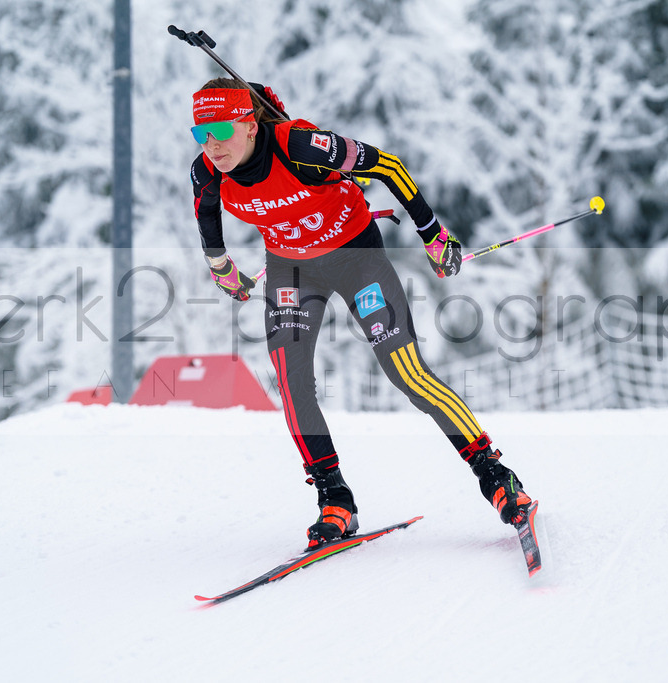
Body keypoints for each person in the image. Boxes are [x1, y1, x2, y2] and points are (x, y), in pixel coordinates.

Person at [189, 78, 532, 548]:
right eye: (201, 133)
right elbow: (206, 215)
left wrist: (433, 233)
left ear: (249, 125)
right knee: (291, 379)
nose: (212, 145)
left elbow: (387, 165)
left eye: (222, 131)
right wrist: (221, 267)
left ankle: (495, 475)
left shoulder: (301, 147)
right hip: (292, 272)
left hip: (356, 260)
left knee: (407, 373)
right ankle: (335, 500)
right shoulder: (208, 171)